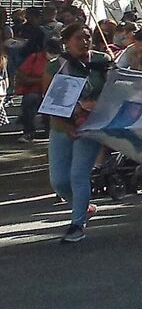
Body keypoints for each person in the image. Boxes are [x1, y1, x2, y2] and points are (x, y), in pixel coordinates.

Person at [45, 22, 111, 243]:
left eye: (88, 37)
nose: (85, 42)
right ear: (66, 41)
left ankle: (77, 224)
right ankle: (82, 205)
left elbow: (116, 91)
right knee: (60, 182)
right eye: (79, 38)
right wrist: (66, 127)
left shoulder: (102, 62)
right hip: (61, 127)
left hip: (90, 128)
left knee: (78, 175)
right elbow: (50, 103)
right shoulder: (55, 67)